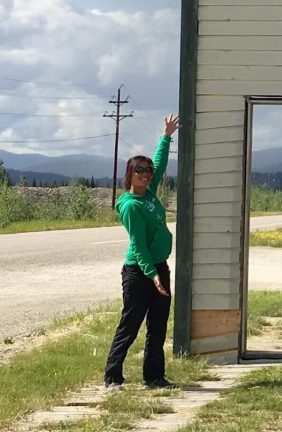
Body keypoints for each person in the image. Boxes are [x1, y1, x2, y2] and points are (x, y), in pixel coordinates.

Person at [103, 115, 181, 391]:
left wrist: (167, 135)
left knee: (158, 327)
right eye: (140, 171)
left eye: (147, 171)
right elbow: (139, 245)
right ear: (130, 175)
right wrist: (153, 276)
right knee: (131, 325)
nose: (146, 174)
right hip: (139, 272)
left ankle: (154, 377)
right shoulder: (131, 206)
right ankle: (112, 377)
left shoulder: (149, 194)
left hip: (159, 267)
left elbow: (159, 164)